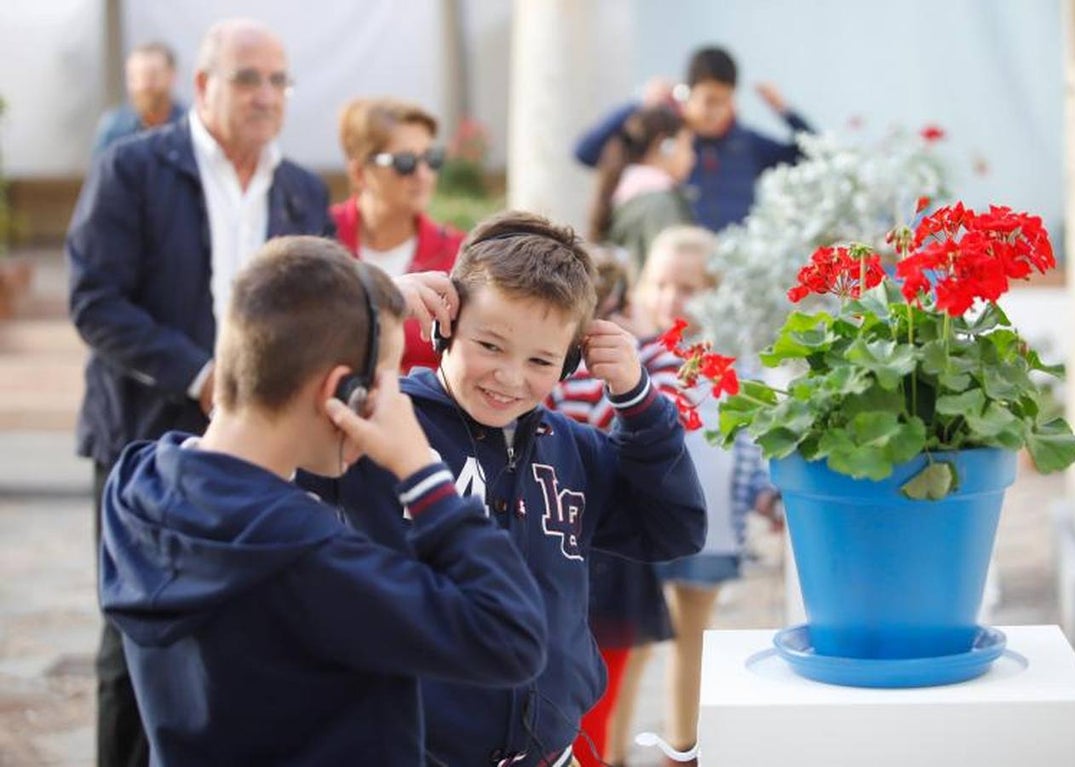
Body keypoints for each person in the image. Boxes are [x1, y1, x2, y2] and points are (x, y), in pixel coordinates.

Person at [99, 236, 547, 766]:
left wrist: (355, 313)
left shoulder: (136, 486)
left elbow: (287, 323)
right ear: (342, 392)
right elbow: (512, 636)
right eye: (388, 381)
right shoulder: (310, 562)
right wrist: (423, 472)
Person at [302, 211, 707, 767]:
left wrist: (640, 406)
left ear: (569, 363)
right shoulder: (381, 419)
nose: (510, 377)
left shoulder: (575, 450)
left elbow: (676, 529)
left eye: (541, 360)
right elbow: (269, 418)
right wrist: (368, 318)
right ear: (445, 325)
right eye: (489, 345)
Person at [67, 19, 332, 767]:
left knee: (248, 634)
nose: (267, 95)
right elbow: (95, 300)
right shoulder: (131, 169)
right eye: (249, 78)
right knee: (134, 636)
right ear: (204, 86)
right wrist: (204, 373)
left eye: (279, 80)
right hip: (146, 439)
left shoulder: (301, 189)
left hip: (265, 448)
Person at [634, 226, 774, 766]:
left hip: (710, 516)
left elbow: (754, 433)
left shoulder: (734, 356)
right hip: (640, 520)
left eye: (688, 288)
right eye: (662, 284)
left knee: (695, 633)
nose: (672, 299)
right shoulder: (633, 348)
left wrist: (763, 495)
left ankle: (682, 748)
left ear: (715, 291)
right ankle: (609, 750)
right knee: (634, 637)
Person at [546, 248, 675, 767]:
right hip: (607, 543)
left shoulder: (552, 366)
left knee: (574, 705)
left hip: (560, 529)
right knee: (597, 705)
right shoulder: (635, 362)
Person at [574, 45, 814, 232]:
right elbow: (586, 152)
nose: (717, 112)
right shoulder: (665, 139)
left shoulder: (745, 142)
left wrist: (785, 111)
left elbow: (810, 157)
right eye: (709, 100)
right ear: (688, 93)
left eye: (725, 101)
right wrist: (639, 104)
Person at [332, 97, 465, 372]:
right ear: (359, 172)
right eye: (405, 162)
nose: (423, 174)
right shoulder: (315, 239)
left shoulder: (460, 255)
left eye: (432, 159)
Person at [587, 104, 696, 276]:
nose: (692, 158)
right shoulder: (660, 203)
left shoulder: (628, 191)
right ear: (665, 146)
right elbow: (674, 272)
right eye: (688, 146)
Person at [93, 41, 187, 155]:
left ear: (172, 76)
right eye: (136, 77)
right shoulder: (115, 128)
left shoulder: (189, 127)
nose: (144, 86)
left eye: (153, 76)